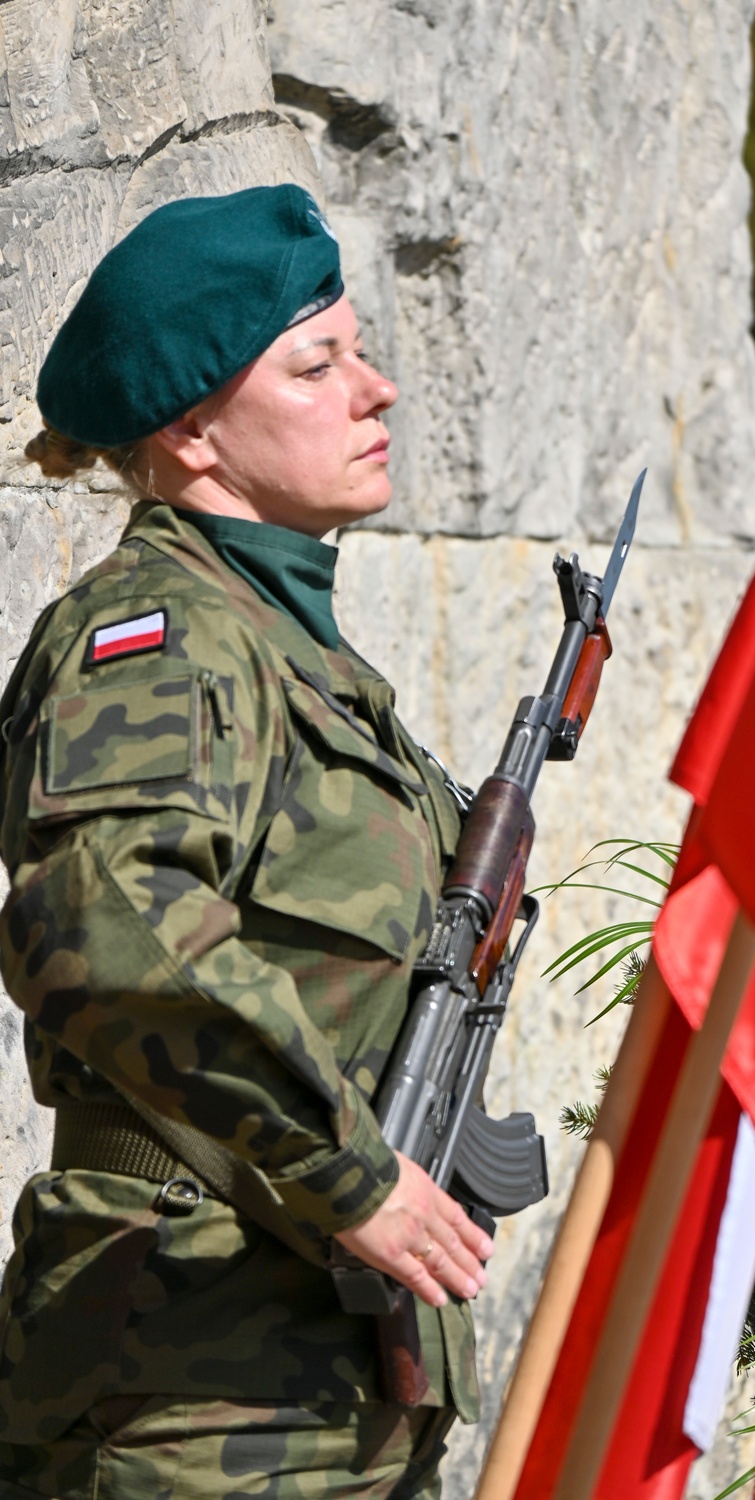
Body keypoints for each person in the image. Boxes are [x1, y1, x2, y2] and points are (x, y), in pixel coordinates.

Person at [0, 183, 494, 1500]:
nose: (374, 392)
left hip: (323, 1375)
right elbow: (112, 924)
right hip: (194, 1386)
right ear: (194, 428)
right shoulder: (159, 638)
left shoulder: (294, 650)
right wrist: (353, 1177)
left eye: (362, 354)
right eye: (317, 365)